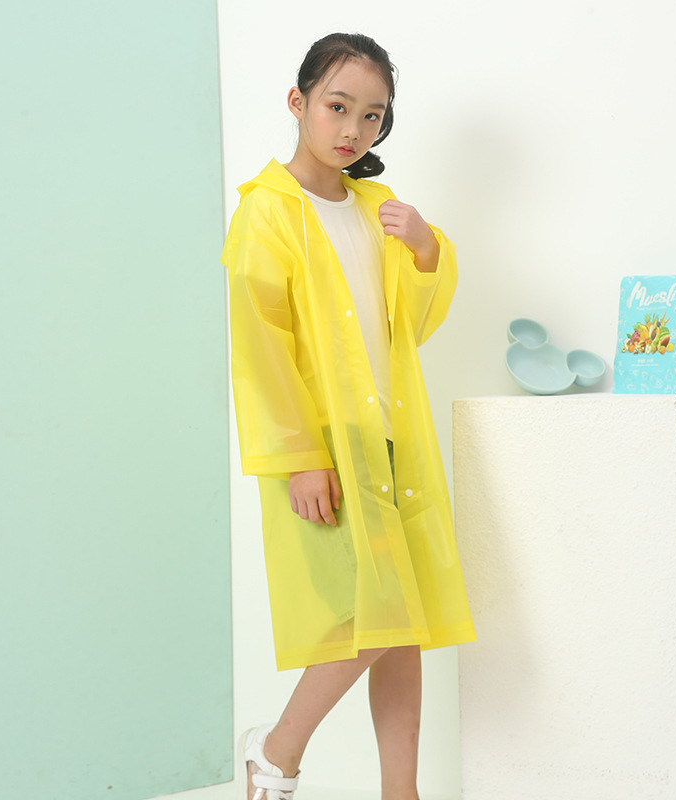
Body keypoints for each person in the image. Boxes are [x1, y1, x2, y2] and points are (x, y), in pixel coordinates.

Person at [221, 32, 475, 800]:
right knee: (364, 620)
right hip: (323, 444)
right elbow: (259, 346)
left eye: (372, 115)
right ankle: (276, 751)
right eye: (337, 107)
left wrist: (426, 250)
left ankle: (402, 790)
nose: (353, 129)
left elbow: (408, 327)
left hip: (391, 438)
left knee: (402, 623)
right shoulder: (267, 214)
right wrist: (299, 454)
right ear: (297, 102)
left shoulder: (375, 210)